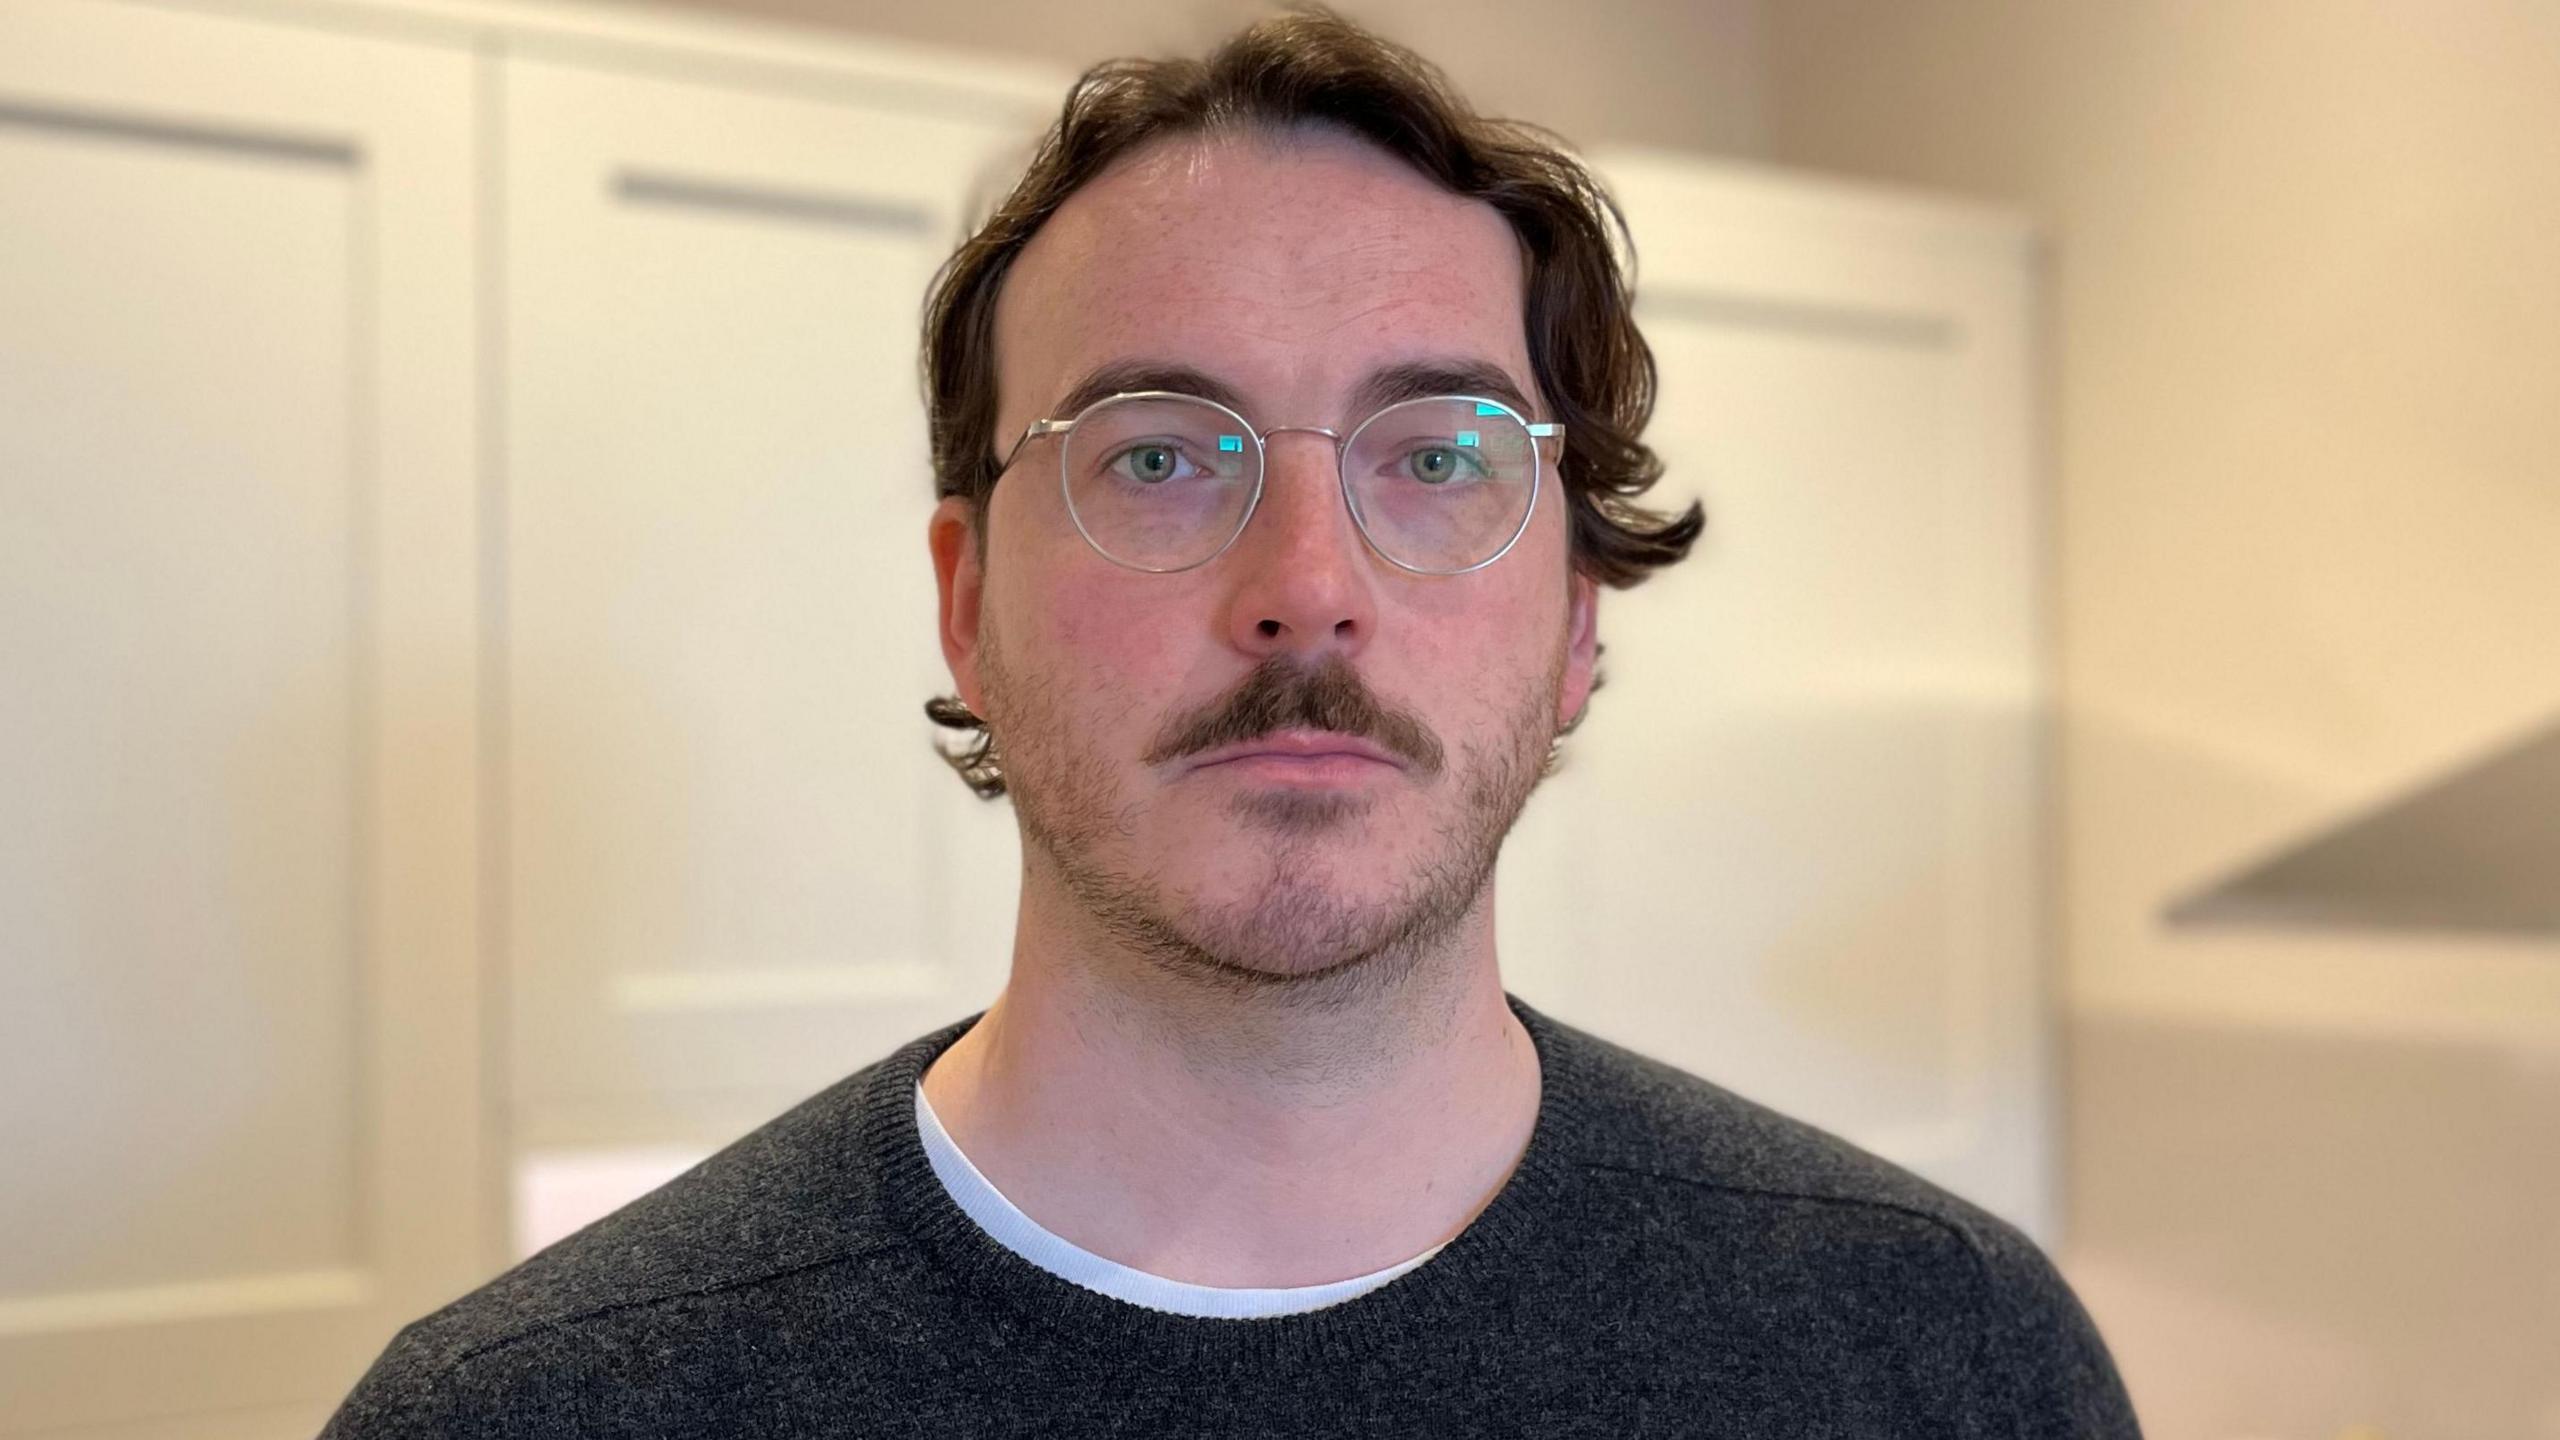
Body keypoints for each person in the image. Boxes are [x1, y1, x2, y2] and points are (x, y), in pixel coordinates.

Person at [322, 7, 2141, 1435]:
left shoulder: (1943, 1354)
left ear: (1579, 618)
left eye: (1438, 457)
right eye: (1160, 456)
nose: (1306, 583)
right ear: (967, 600)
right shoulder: (540, 1411)